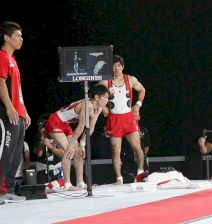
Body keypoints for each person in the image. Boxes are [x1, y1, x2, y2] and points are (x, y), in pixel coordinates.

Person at [0, 21, 31, 205]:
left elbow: (17, 90)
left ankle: (6, 190)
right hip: (5, 115)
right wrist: (10, 107)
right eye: (18, 35)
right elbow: (0, 83)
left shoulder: (13, 60)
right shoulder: (0, 57)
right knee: (3, 154)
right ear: (7, 37)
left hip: (17, 115)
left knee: (14, 154)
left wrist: (24, 111)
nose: (21, 39)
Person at [43, 84, 109, 191]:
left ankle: (80, 183)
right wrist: (70, 145)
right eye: (105, 97)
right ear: (96, 97)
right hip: (55, 121)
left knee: (78, 151)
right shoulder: (87, 105)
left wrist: (82, 144)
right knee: (68, 151)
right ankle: (67, 184)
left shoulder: (99, 108)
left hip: (65, 124)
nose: (107, 100)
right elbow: (80, 126)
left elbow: (90, 127)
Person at [100, 55, 145, 185]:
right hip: (114, 119)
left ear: (122, 67)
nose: (116, 68)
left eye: (118, 65)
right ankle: (119, 178)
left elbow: (142, 90)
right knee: (115, 149)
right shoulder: (105, 82)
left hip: (128, 118)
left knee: (137, 147)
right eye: (113, 66)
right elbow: (95, 96)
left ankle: (140, 172)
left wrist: (137, 105)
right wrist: (102, 108)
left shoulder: (130, 79)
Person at [33, 115, 64, 185]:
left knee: (59, 190)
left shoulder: (57, 135)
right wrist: (41, 141)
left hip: (57, 168)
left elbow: (61, 153)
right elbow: (39, 154)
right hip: (43, 169)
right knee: (43, 191)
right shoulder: (38, 137)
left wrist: (50, 146)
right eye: (40, 125)